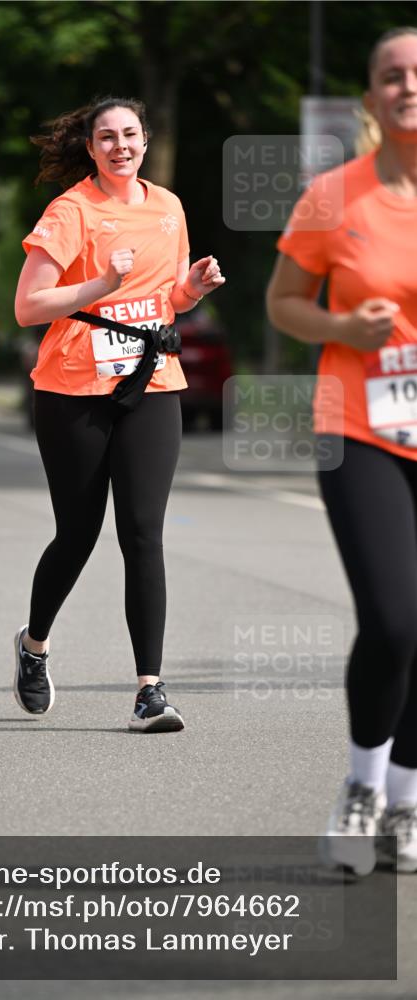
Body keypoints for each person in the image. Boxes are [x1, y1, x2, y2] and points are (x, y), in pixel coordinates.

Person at [13, 96, 225, 732]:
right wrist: (101, 285)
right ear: (90, 148)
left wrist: (192, 289)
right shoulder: (70, 211)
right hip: (74, 388)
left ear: (145, 141)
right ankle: (34, 645)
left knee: (142, 532)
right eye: (106, 137)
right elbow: (28, 307)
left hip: (152, 380)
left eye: (130, 134)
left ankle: (149, 692)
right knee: (78, 534)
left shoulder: (168, 207)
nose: (119, 146)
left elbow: (168, 299)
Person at [267, 28, 417, 873]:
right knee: (393, 620)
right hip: (359, 425)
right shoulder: (334, 196)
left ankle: (405, 796)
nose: (408, 86)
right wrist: (339, 326)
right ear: (369, 99)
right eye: (391, 76)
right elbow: (283, 300)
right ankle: (361, 787)